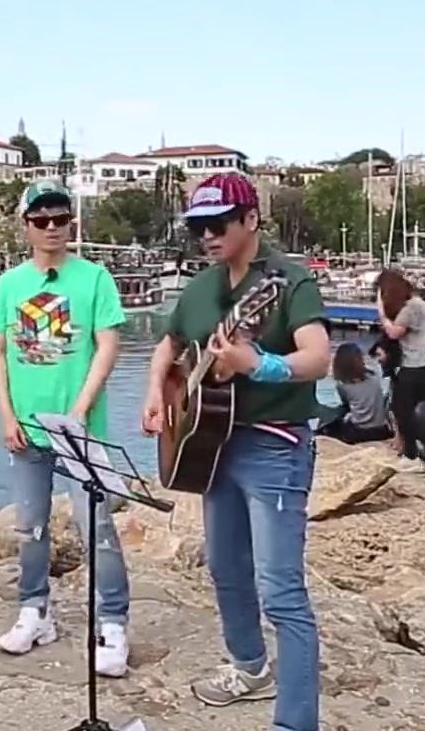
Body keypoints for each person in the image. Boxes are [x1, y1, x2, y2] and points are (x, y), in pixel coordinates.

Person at [141, 173, 331, 729]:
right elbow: (170, 345)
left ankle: (296, 722)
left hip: (275, 447)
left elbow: (317, 356)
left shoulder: (288, 282)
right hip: (212, 445)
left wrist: (262, 365)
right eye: (198, 226)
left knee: (281, 591)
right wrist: (158, 391)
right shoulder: (201, 288)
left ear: (250, 219)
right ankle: (250, 668)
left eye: (217, 224)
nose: (206, 236)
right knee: (225, 569)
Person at [0, 180, 132, 677]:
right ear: (26, 226)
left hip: (80, 429)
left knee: (98, 529)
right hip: (26, 429)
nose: (52, 228)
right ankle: (34, 611)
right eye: (40, 220)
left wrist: (81, 408)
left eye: (60, 219)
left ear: (71, 222)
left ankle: (112, 623)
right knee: (30, 527)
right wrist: (6, 414)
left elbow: (108, 345)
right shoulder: (9, 284)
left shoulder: (95, 279)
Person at [376, 270, 425, 477]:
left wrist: (382, 314)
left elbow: (394, 332)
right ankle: (412, 456)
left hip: (417, 368)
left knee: (407, 414)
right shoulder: (418, 305)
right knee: (402, 412)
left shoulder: (412, 308)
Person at [319, 343, 390, 444]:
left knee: (329, 424)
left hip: (359, 432)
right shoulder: (374, 375)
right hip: (381, 430)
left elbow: (346, 407)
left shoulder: (343, 386)